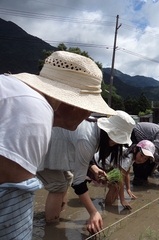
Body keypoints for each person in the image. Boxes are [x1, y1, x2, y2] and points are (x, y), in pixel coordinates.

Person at [0, 51, 116, 239]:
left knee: (64, 180)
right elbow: (11, 213)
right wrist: (94, 212)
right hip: (48, 162)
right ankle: (51, 223)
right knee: (58, 185)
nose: (89, 117)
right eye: (90, 108)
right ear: (74, 105)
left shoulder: (20, 94)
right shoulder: (34, 112)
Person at [37, 110, 135, 233]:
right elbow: (78, 183)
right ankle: (51, 229)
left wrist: (93, 168)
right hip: (42, 148)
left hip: (56, 149)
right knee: (58, 185)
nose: (115, 144)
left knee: (67, 178)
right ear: (109, 133)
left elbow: (81, 155)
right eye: (116, 140)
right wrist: (93, 212)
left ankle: (56, 216)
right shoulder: (87, 138)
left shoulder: (94, 128)